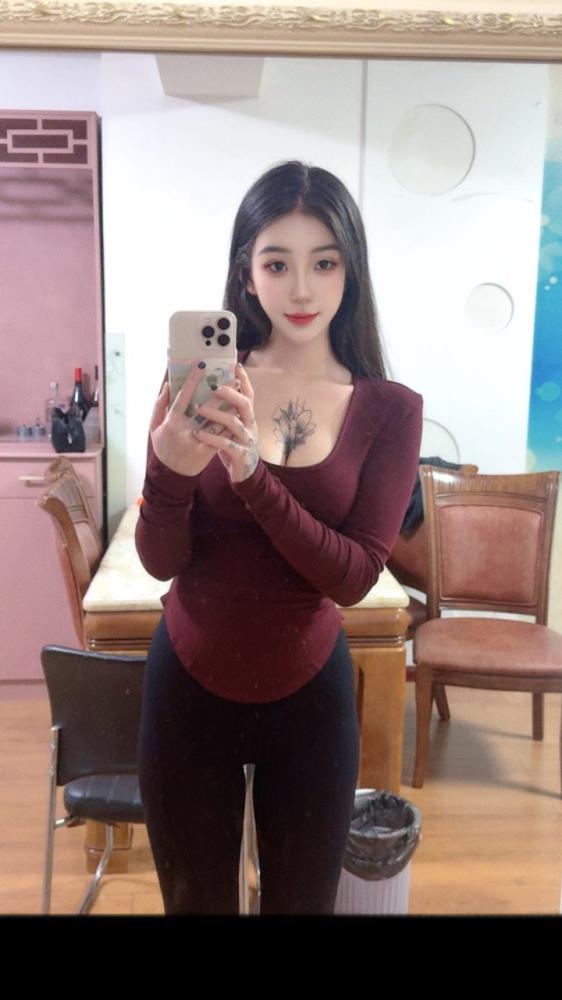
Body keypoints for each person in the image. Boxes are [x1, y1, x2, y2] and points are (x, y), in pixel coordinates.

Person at [136, 160, 423, 915]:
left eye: (324, 263)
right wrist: (167, 470)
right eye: (277, 263)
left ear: (351, 270)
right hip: (186, 684)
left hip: (310, 699)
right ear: (246, 273)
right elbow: (160, 560)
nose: (301, 290)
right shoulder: (198, 386)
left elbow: (353, 577)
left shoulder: (389, 409)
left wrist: (252, 478)